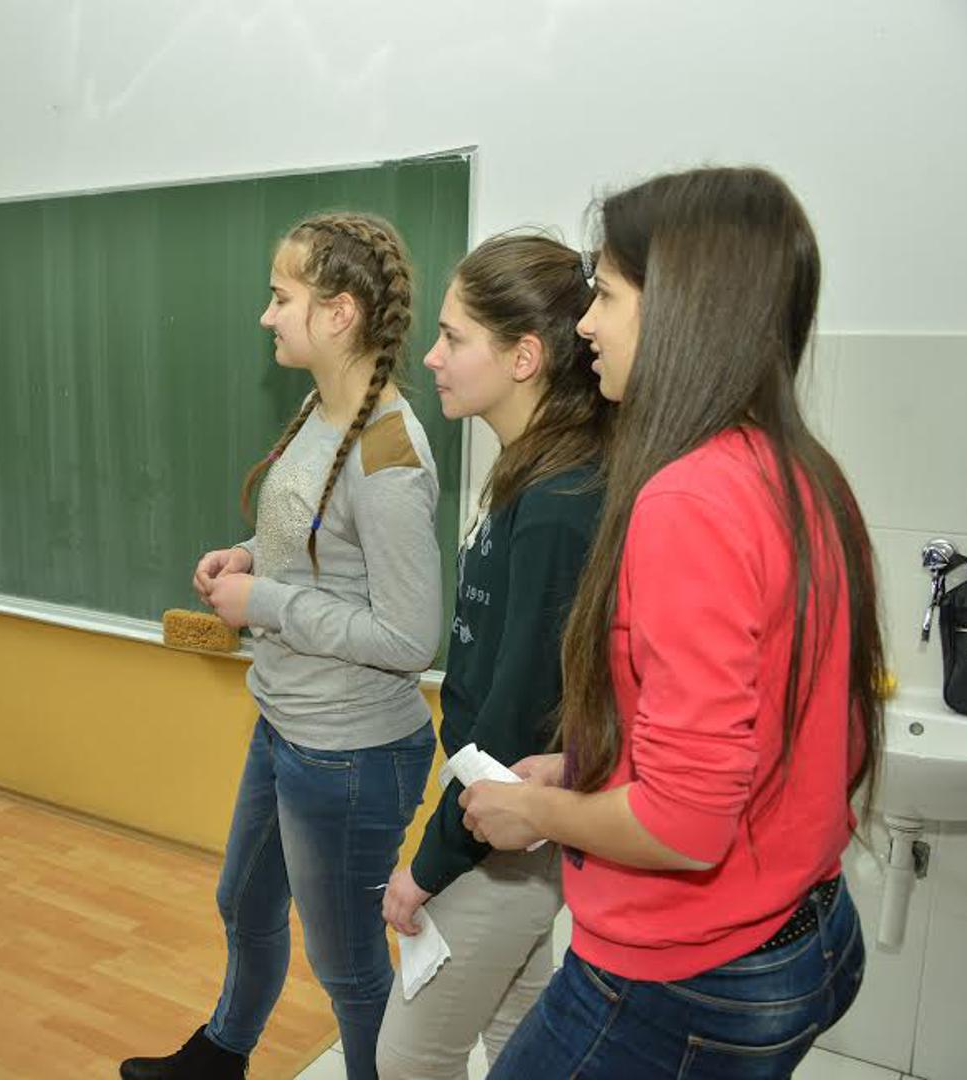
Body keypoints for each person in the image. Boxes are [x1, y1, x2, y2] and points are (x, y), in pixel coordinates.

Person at [462, 167, 880, 1079]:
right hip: (808, 932)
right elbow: (752, 732)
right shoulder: (800, 471)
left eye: (607, 295)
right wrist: (584, 769)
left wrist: (537, 810)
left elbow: (687, 825)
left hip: (686, 977)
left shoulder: (688, 500)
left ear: (687, 312)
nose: (585, 325)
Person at [120, 212, 441, 1080]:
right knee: (244, 900)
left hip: (350, 754)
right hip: (287, 724)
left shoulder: (388, 455)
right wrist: (248, 557)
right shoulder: (319, 408)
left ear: (338, 314)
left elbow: (410, 636)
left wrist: (263, 601)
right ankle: (222, 1056)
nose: (266, 315)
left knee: (348, 969)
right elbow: (313, 547)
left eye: (281, 297)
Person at [376, 234, 612, 1079]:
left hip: (503, 824)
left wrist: (429, 866)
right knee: (521, 1038)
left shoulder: (557, 500)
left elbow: (522, 713)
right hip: (492, 811)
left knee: (410, 1055)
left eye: (454, 337)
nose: (432, 357)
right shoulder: (529, 471)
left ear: (524, 357)